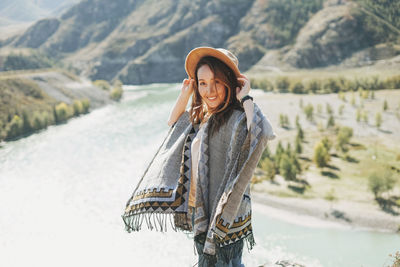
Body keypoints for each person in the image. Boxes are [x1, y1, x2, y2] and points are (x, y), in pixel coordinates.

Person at [122, 47, 275, 267]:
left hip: (226, 214)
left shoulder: (237, 117)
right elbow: (174, 125)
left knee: (225, 263)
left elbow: (261, 134)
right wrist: (186, 93)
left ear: (231, 83)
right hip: (200, 209)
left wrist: (246, 97)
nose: (209, 90)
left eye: (217, 82)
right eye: (202, 83)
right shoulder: (204, 116)